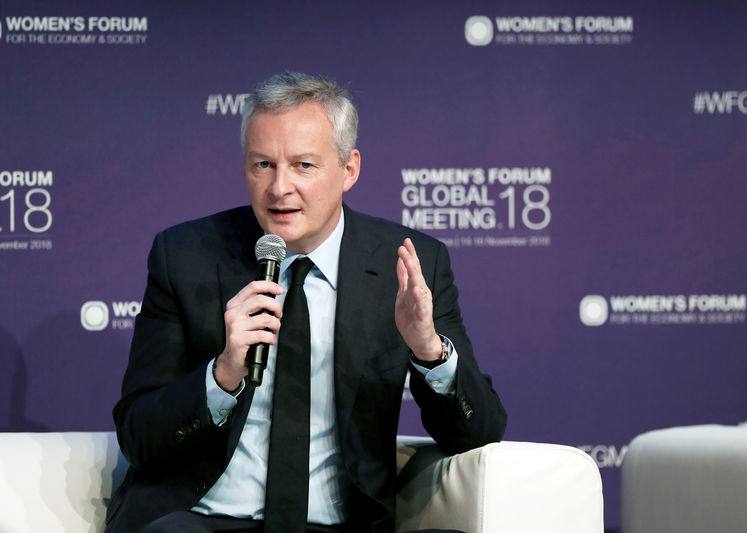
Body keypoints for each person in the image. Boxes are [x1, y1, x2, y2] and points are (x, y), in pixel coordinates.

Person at [106, 72, 506, 533]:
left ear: (349, 169)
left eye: (303, 166)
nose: (279, 188)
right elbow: (138, 436)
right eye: (263, 165)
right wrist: (222, 376)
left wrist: (428, 351)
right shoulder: (185, 256)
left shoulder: (409, 263)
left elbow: (480, 433)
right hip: (203, 520)